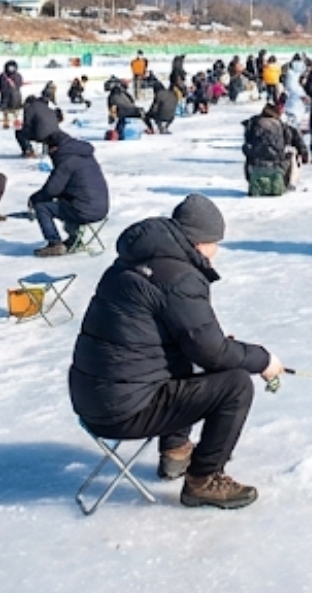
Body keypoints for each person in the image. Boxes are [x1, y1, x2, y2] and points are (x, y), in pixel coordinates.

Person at [69, 194, 283, 509]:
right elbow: (212, 352)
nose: (217, 251)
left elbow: (191, 343)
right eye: (216, 242)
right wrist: (263, 360)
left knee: (191, 359)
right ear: (200, 242)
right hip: (122, 408)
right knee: (235, 384)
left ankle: (176, 451)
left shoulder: (136, 262)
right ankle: (203, 480)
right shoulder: (179, 277)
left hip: (94, 397)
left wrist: (220, 349)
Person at [28, 130, 110, 256]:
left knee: (42, 207)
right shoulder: (85, 156)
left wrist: (34, 199)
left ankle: (54, 243)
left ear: (54, 148)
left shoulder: (66, 161)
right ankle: (73, 239)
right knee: (67, 202)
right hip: (101, 208)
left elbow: (51, 190)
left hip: (84, 210)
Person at [242, 103, 309, 193]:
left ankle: (253, 180)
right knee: (293, 154)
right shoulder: (282, 125)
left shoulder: (252, 123)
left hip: (254, 165)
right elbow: (298, 142)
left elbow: (246, 144)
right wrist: (304, 155)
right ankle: (291, 185)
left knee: (250, 155)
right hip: (279, 166)